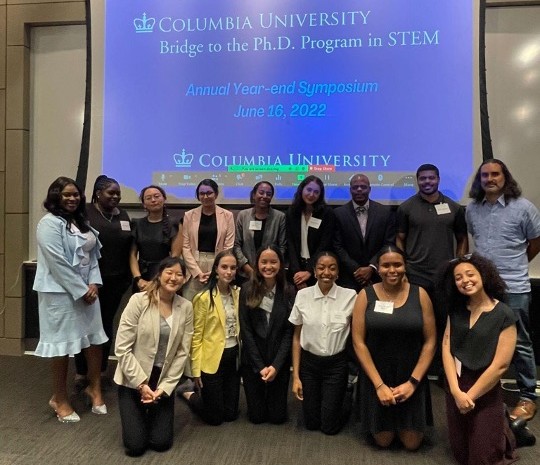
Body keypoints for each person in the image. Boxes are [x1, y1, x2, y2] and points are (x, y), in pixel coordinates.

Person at [466, 158, 540, 421]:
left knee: (520, 342)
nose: (490, 179)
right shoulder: (473, 209)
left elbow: (534, 243)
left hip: (515, 286)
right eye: (485, 175)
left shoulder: (524, 208)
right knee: (485, 339)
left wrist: (516, 264)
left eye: (495, 174)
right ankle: (488, 388)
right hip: (483, 288)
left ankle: (528, 395)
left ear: (505, 177)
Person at [33, 176, 108, 422]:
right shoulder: (48, 223)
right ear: (56, 196)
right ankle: (59, 398)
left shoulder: (81, 222)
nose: (72, 198)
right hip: (60, 294)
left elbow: (92, 257)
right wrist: (81, 290)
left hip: (88, 291)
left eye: (75, 194)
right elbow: (57, 263)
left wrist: (93, 284)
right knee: (63, 345)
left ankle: (94, 388)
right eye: (66, 194)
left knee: (94, 341)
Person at [352, 245, 436, 450]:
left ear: (405, 266)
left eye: (397, 265)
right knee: (383, 441)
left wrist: (413, 383)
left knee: (412, 444)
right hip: (376, 375)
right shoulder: (365, 295)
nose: (392, 270)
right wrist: (379, 385)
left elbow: (431, 342)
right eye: (386, 265)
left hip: (411, 374)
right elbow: (358, 342)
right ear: (378, 268)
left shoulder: (421, 294)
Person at [439, 253, 518, 465]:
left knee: (482, 458)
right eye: (458, 278)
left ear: (483, 275)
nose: (465, 280)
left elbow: (501, 366)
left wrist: (470, 396)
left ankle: (507, 431)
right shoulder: (455, 310)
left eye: (470, 274)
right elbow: (446, 348)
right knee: (461, 454)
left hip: (485, 386)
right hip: (456, 383)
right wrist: (456, 392)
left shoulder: (504, 314)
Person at [114, 257, 193, 457]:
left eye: (179, 274)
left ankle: (152, 410)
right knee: (135, 446)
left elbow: (182, 353)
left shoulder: (186, 307)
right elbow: (122, 348)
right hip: (132, 380)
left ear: (184, 279)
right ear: (159, 274)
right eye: (169, 272)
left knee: (161, 443)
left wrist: (164, 389)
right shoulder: (138, 301)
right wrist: (142, 384)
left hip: (162, 381)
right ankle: (139, 413)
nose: (173, 278)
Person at [396, 163, 468, 375]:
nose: (427, 182)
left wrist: (459, 265)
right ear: (417, 181)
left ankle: (442, 370)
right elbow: (399, 239)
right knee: (416, 325)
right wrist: (404, 269)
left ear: (438, 180)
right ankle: (417, 369)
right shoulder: (406, 208)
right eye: (423, 179)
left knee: (444, 324)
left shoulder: (454, 208)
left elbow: (462, 239)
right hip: (415, 276)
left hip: (445, 277)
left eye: (431, 178)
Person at [74, 175, 132, 388]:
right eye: (111, 192)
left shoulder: (122, 214)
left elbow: (129, 247)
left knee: (106, 325)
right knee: (85, 325)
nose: (115, 196)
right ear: (98, 193)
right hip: (90, 283)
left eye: (118, 193)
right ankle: (81, 371)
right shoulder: (85, 214)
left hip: (116, 282)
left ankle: (101, 370)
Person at [289, 251, 357, 435]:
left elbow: (358, 334)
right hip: (309, 364)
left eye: (332, 268)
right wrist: (296, 376)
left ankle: (346, 396)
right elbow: (296, 338)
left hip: (336, 365)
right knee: (311, 423)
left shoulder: (350, 296)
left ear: (338, 273)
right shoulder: (303, 295)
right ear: (314, 271)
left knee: (329, 427)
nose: (326, 272)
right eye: (321, 267)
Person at [179, 250, 241, 425]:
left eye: (233, 268)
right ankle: (188, 393)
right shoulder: (203, 298)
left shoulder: (238, 293)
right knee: (214, 418)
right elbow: (196, 337)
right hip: (211, 360)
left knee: (231, 415)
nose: (228, 272)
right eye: (224, 267)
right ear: (216, 269)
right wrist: (195, 370)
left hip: (232, 357)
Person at [239, 246, 295, 424]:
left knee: (278, 418)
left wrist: (276, 366)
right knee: (256, 417)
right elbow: (246, 331)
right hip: (253, 362)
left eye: (273, 262)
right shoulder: (247, 289)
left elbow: (289, 332)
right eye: (264, 262)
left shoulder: (289, 291)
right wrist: (260, 366)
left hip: (279, 362)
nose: (268, 266)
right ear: (257, 264)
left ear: (280, 264)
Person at [175, 178, 235, 301]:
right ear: (198, 196)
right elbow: (185, 247)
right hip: (194, 264)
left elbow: (228, 246)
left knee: (216, 304)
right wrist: (197, 273)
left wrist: (215, 270)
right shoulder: (189, 215)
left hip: (219, 263)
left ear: (216, 194)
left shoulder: (227, 216)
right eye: (202, 193)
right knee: (191, 304)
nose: (205, 196)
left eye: (209, 193)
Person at [334, 174, 395, 291]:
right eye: (355, 187)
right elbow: (337, 246)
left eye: (363, 187)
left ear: (370, 189)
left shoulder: (385, 212)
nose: (359, 190)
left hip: (378, 276)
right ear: (350, 190)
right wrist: (357, 270)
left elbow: (388, 243)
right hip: (349, 277)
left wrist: (371, 267)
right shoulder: (338, 214)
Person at [286, 175, 335, 290]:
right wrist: (298, 274)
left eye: (316, 192)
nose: (311, 194)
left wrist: (309, 271)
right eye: (309, 190)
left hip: (318, 269)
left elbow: (325, 244)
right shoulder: (292, 212)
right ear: (302, 189)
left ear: (320, 195)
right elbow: (290, 244)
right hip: (296, 270)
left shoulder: (327, 213)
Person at [130, 185, 181, 292]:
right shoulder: (137, 223)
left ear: (164, 199)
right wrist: (138, 279)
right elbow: (132, 255)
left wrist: (156, 280)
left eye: (157, 196)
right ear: (144, 204)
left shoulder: (174, 223)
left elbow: (175, 256)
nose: (153, 200)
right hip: (141, 276)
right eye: (148, 198)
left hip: (165, 275)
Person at [234, 181, 286, 283]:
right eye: (261, 192)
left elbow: (282, 247)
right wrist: (246, 267)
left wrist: (270, 266)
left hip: (270, 272)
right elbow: (236, 245)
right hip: (245, 274)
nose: (264, 196)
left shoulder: (279, 217)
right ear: (254, 195)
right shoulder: (243, 215)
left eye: (269, 194)